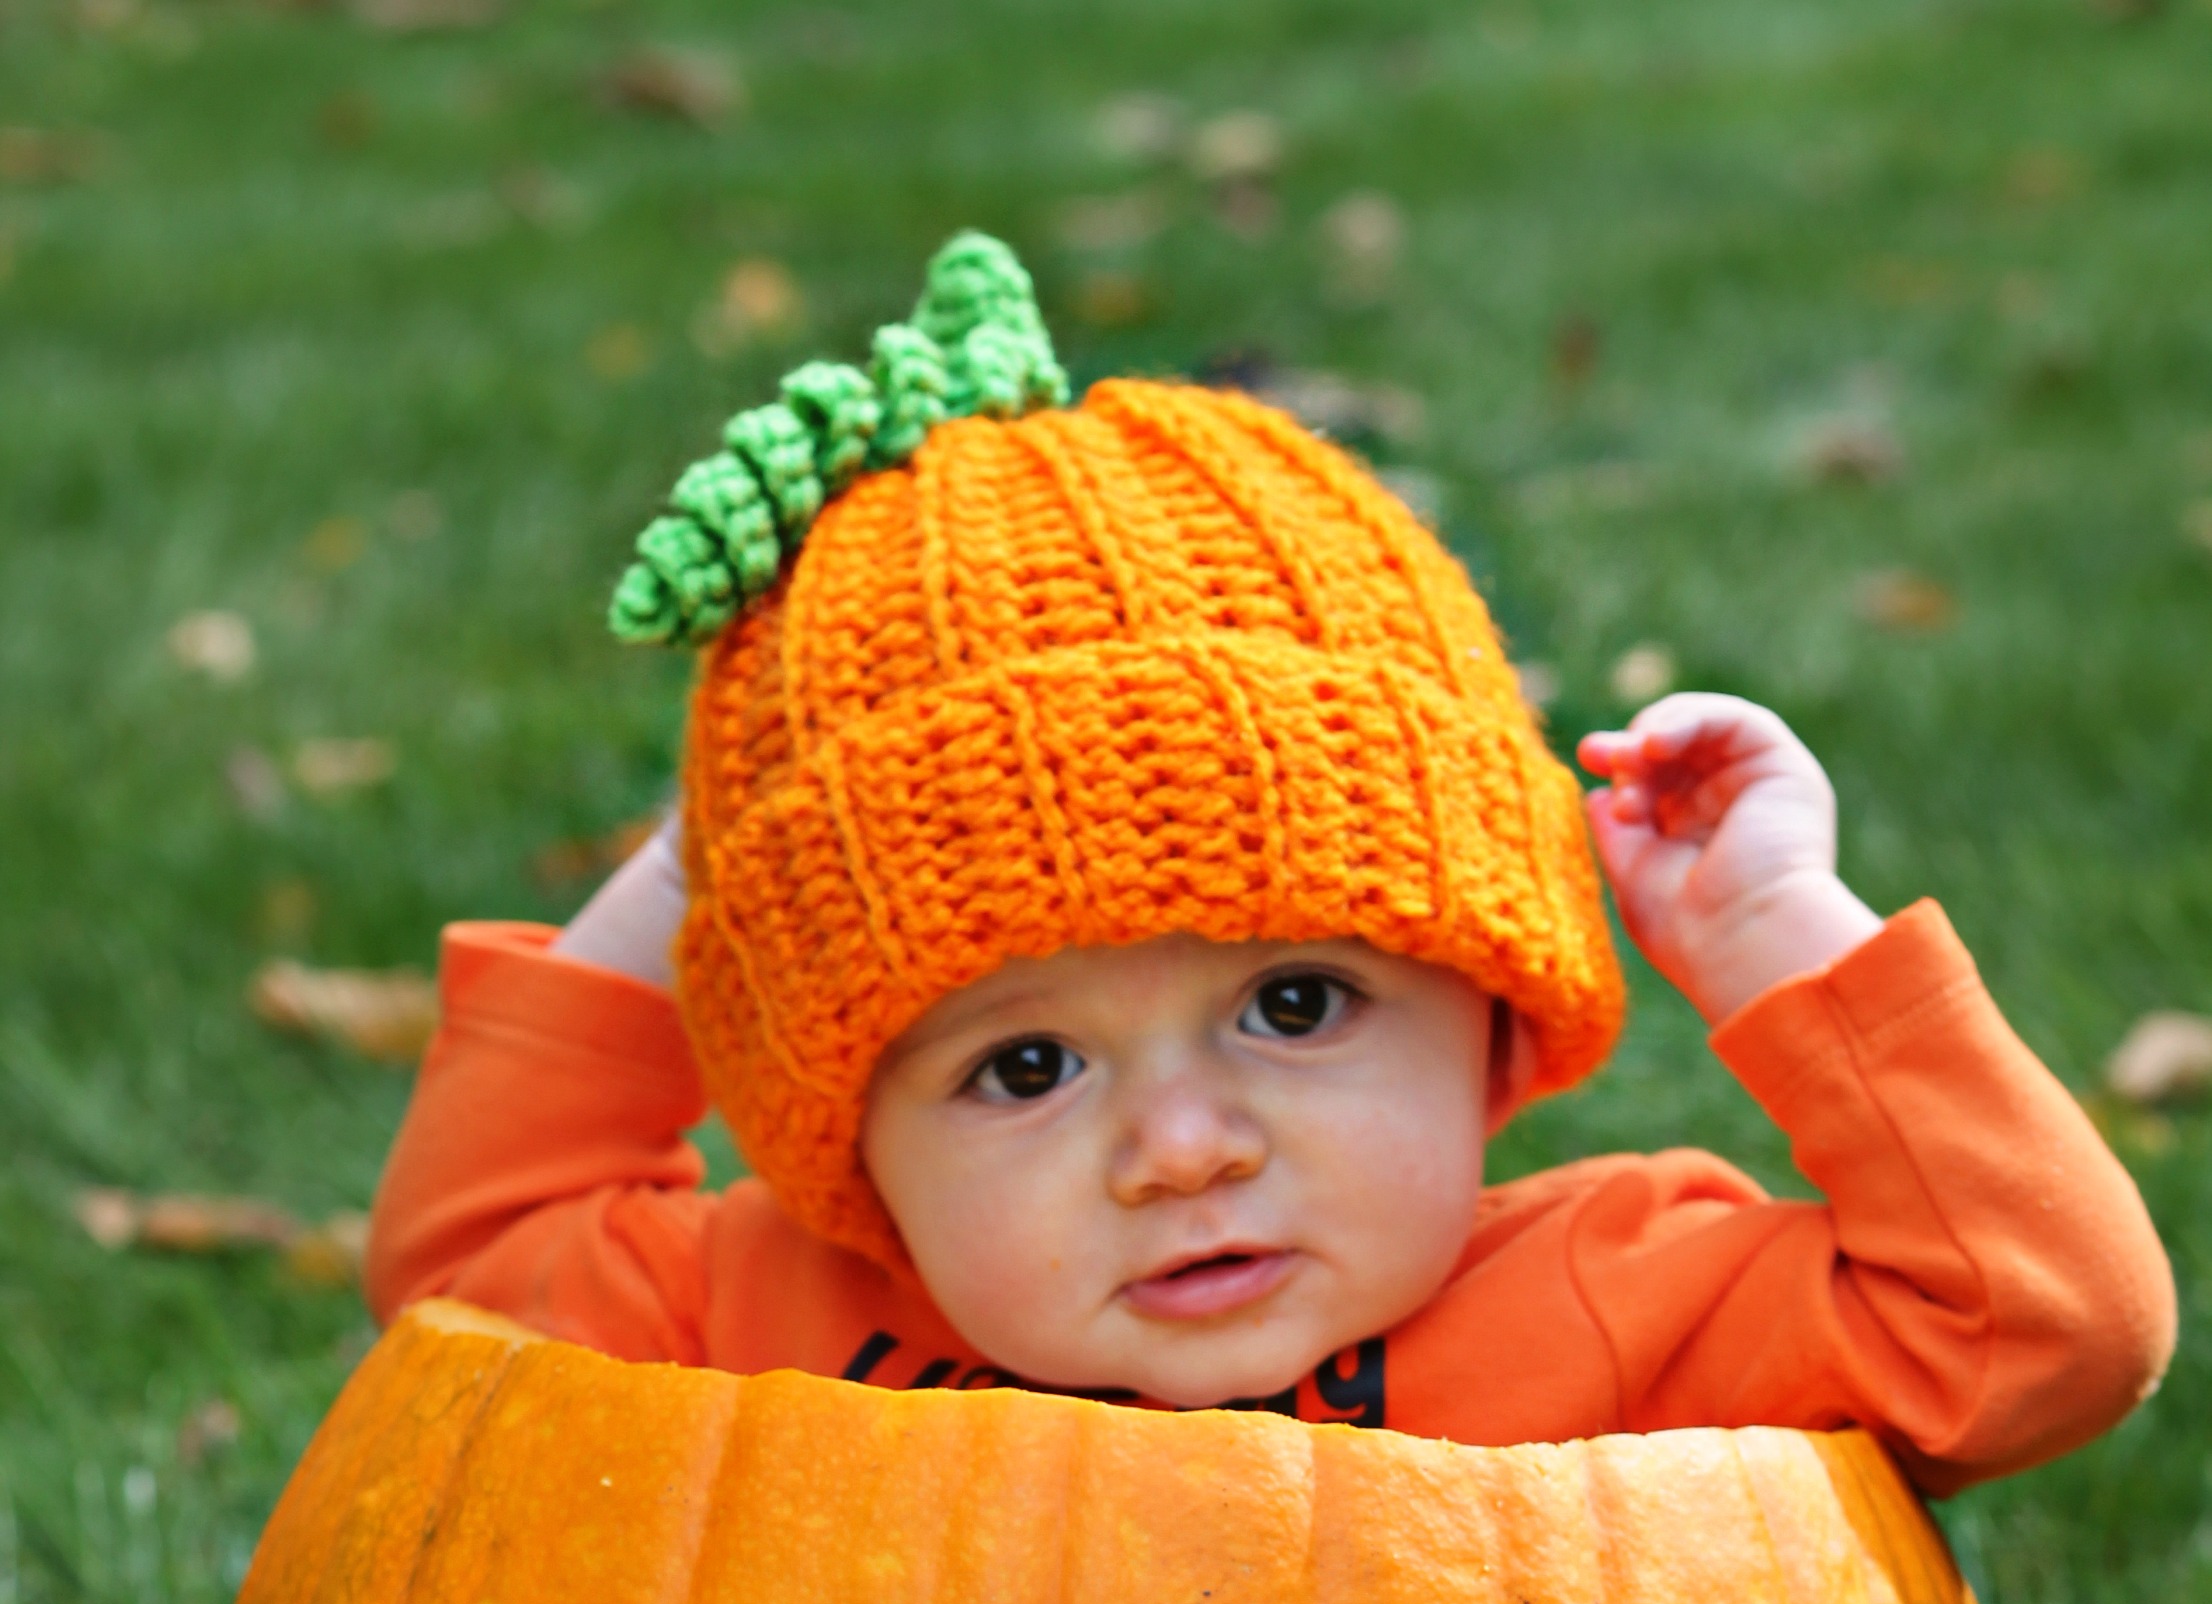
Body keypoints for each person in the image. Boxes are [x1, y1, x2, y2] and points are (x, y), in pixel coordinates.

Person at [366, 235, 2173, 1493]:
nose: (1183, 1148)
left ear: (1490, 1013)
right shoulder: (789, 1332)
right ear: (847, 1138)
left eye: (1294, 1003)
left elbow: (2040, 1328)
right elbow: (467, 1296)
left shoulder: (1621, 1317)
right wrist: (728, 855)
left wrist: (1780, 936)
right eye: (1024, 1064)